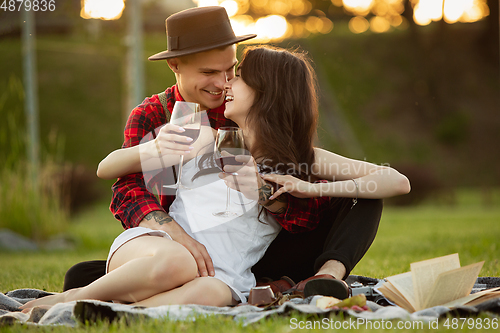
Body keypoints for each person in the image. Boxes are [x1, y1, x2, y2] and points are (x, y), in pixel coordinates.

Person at [22, 45, 410, 309]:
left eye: (236, 75)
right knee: (176, 266)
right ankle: (70, 301)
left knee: (213, 293)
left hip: (225, 272)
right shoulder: (203, 132)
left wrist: (305, 187)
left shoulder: (299, 160)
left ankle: (124, 311)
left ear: (266, 94)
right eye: (221, 74)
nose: (226, 83)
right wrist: (154, 150)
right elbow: (109, 169)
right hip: (166, 247)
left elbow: (394, 181)